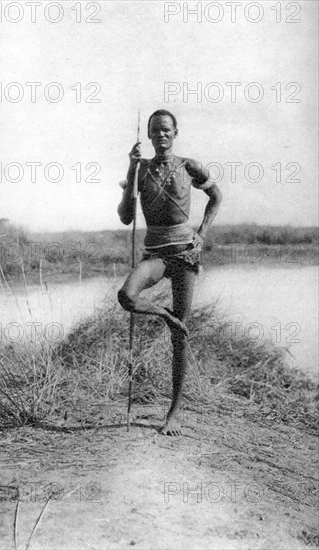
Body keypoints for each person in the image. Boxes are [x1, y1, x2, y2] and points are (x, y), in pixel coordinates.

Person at [117, 109, 222, 436]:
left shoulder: (189, 166)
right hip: (156, 254)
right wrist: (131, 168)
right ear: (148, 136)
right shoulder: (141, 170)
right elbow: (125, 217)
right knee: (127, 296)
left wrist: (202, 234)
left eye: (166, 130)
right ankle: (167, 315)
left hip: (185, 255)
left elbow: (216, 196)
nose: (161, 136)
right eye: (155, 131)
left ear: (175, 133)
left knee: (180, 337)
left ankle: (173, 414)